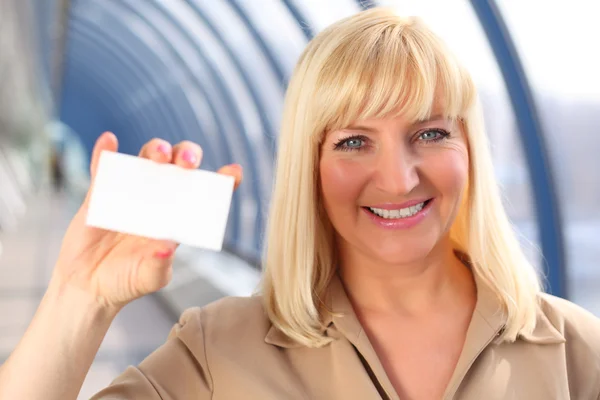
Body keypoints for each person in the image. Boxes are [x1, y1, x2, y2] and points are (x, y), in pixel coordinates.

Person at [1, 7, 599, 400]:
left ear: (471, 149)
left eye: (431, 133)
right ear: (308, 167)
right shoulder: (218, 352)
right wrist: (79, 296)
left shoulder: (575, 351)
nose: (398, 177)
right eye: (354, 141)